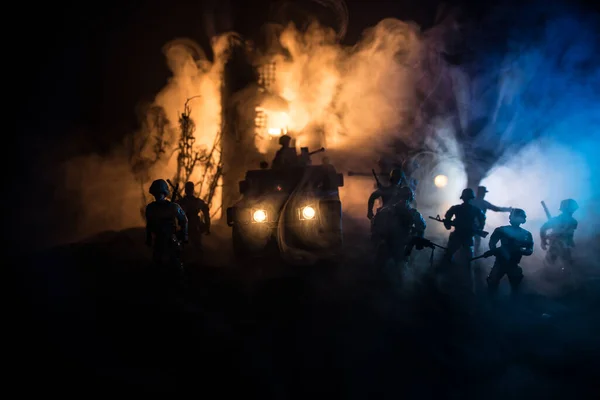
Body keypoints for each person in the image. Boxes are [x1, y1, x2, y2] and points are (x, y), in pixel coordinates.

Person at [441, 188, 486, 293]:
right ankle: (455, 280)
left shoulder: (458, 208)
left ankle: (451, 280)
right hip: (464, 235)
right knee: (463, 259)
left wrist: (477, 229)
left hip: (463, 235)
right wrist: (478, 229)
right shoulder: (474, 210)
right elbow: (482, 220)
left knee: (452, 256)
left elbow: (447, 219)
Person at [373, 186, 426, 269]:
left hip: (393, 244)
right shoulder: (413, 213)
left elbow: (376, 224)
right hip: (398, 244)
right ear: (411, 198)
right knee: (400, 270)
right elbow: (421, 227)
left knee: (383, 268)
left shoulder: (387, 210)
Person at [485, 208, 534, 295]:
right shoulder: (501, 230)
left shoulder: (526, 234)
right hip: (500, 262)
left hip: (513, 263)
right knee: (492, 283)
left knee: (516, 287)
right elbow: (492, 243)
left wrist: (519, 250)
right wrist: (495, 251)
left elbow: (529, 250)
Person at [145, 179, 188, 270]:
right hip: (163, 239)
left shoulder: (170, 207)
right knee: (161, 264)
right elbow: (149, 224)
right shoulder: (153, 208)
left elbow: (184, 221)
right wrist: (149, 237)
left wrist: (183, 236)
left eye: (159, 193)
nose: (158, 196)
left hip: (168, 239)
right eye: (157, 193)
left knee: (172, 265)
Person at [540, 198, 578, 270]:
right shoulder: (556, 220)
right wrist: (543, 240)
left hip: (566, 245)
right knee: (549, 264)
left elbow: (570, 235)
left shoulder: (573, 222)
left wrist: (571, 243)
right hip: (555, 244)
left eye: (572, 209)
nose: (572, 211)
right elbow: (543, 229)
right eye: (570, 209)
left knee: (568, 265)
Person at [471, 186, 512, 252]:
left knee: (473, 242)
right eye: (483, 193)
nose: (484, 194)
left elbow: (496, 209)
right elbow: (496, 209)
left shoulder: (472, 202)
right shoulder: (483, 203)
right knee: (475, 243)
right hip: (476, 226)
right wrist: (508, 209)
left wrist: (507, 209)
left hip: (473, 226)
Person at [176, 182, 210, 252]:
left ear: (185, 190)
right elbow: (206, 212)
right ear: (193, 190)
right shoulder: (197, 201)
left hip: (191, 227)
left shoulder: (182, 201)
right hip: (192, 227)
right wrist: (207, 226)